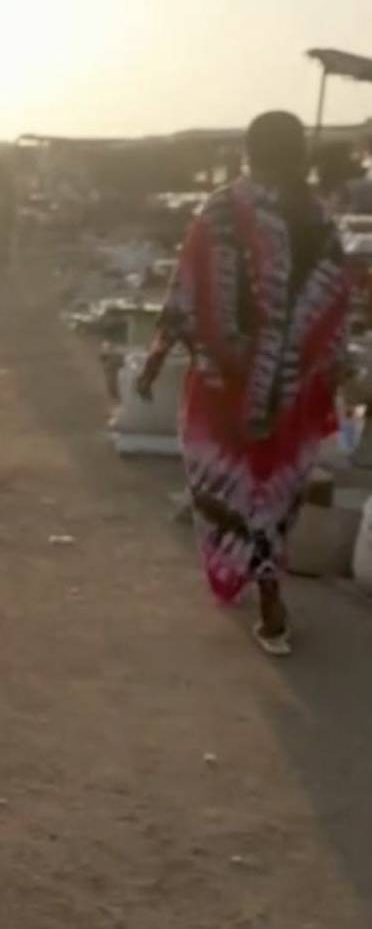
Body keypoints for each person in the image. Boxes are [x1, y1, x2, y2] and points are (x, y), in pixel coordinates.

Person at [137, 111, 350, 657]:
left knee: (226, 484)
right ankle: (269, 587)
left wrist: (157, 356)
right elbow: (335, 307)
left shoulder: (225, 210)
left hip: (226, 385)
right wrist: (324, 368)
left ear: (251, 150)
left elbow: (187, 286)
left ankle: (263, 590)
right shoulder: (319, 219)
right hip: (293, 389)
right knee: (275, 492)